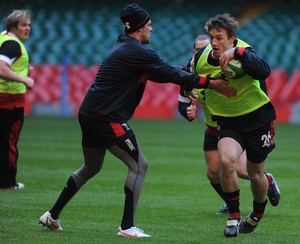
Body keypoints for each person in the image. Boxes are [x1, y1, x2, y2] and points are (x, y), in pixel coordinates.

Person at [38, 3, 235, 238]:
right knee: (139, 165)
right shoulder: (137, 51)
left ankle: (52, 215)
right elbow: (168, 72)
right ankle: (127, 227)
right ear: (140, 27)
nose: (151, 29)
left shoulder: (125, 47)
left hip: (90, 114)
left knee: (91, 166)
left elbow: (162, 73)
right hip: (106, 118)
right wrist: (209, 82)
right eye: (149, 25)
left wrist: (191, 79)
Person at [189, 14, 279, 237]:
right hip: (228, 121)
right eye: (212, 37)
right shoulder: (201, 57)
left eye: (219, 38)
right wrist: (185, 103)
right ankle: (233, 216)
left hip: (257, 119)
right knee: (227, 161)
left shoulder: (245, 52)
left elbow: (264, 70)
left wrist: (238, 53)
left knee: (254, 174)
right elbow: (185, 76)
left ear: (232, 39)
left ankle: (257, 213)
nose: (214, 42)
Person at [0, 9, 35, 190]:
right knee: (9, 142)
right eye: (23, 25)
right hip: (9, 102)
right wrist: (25, 79)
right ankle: (7, 183)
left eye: (29, 24)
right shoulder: (13, 45)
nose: (28, 28)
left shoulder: (3, 38)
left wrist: (23, 69)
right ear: (13, 26)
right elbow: (2, 68)